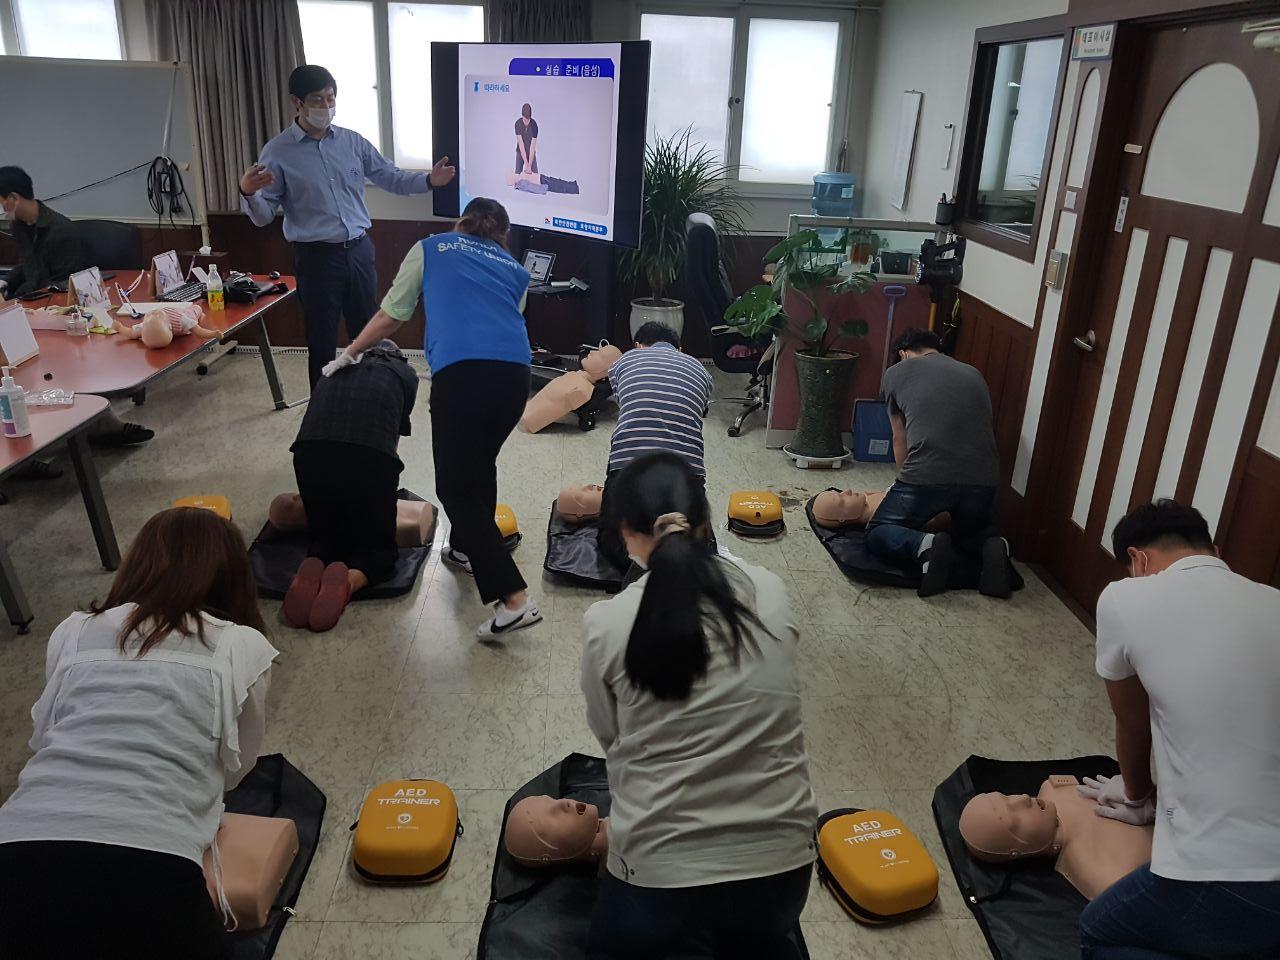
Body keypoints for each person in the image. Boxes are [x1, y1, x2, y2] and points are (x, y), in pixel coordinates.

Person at [0, 508, 277, 959]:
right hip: (153, 864)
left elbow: (47, 733)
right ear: (232, 576)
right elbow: (236, 769)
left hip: (15, 846)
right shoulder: (241, 645)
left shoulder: (72, 630)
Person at [580, 453, 817, 960]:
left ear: (626, 532)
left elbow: (610, 738)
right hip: (784, 870)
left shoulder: (607, 621)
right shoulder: (769, 590)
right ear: (707, 523)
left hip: (660, 880)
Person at [1077, 500, 1280, 960]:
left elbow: (1132, 722)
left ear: (1138, 560)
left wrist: (1136, 797)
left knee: (1101, 933)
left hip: (1235, 873)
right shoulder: (1274, 600)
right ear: (1214, 550)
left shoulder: (1124, 597)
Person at [331, 197, 541, 638]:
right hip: (516, 377)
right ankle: (466, 547)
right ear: (502, 234)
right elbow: (507, 317)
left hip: (463, 373)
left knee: (453, 486)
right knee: (479, 462)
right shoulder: (515, 268)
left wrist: (349, 353)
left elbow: (393, 314)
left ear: (460, 222)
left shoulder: (431, 247)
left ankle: (513, 598)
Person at [238, 64, 457, 387]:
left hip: (358, 250)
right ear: (296, 102)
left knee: (366, 332)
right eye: (317, 100)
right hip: (315, 257)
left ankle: (366, 399)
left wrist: (428, 181)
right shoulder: (278, 152)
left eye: (330, 98)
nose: (326, 107)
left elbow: (390, 177)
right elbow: (263, 216)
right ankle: (323, 413)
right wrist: (247, 192)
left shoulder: (352, 142)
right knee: (322, 339)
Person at [0, 165, 152, 452]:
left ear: (13, 198)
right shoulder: (19, 226)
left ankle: (96, 424)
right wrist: (6, 284)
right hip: (28, 303)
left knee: (44, 361)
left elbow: (58, 286)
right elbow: (27, 266)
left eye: (0, 201)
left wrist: (19, 303)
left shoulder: (61, 230)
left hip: (52, 308)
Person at [281, 339, 420, 632]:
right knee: (379, 552)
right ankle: (348, 581)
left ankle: (318, 557)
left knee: (326, 534)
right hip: (369, 458)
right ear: (399, 357)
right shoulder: (405, 375)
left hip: (309, 454)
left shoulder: (334, 365)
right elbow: (390, 442)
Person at [864, 328, 1006, 598]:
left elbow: (899, 437)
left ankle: (924, 545)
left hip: (926, 475)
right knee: (967, 534)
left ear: (904, 354)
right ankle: (992, 544)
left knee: (878, 531)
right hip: (985, 480)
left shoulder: (895, 373)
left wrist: (900, 483)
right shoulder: (974, 373)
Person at [597, 321, 714, 570]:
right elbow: (700, 409)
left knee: (611, 543)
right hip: (686, 472)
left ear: (638, 345)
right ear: (679, 349)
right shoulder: (702, 371)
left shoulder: (626, 360)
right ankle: (676, 557)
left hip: (628, 466)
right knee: (694, 540)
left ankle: (635, 562)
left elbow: (624, 401)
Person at [515, 102, 538, 175]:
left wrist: (529, 166)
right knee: (517, 172)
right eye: (524, 120)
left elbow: (532, 147)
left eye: (528, 120)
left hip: (531, 152)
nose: (526, 123)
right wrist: (526, 163)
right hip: (520, 151)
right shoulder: (517, 124)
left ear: (530, 118)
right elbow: (521, 145)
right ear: (522, 116)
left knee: (535, 174)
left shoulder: (534, 125)